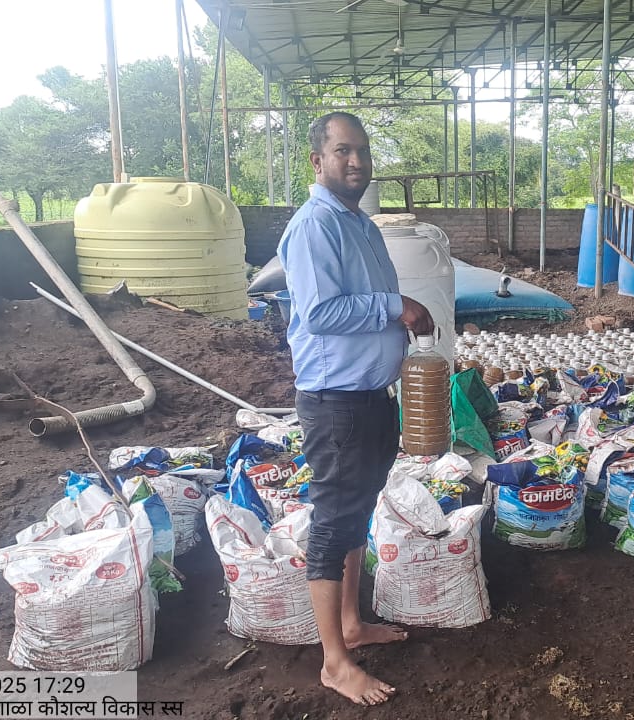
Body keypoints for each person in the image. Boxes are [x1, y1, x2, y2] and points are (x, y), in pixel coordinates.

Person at [277, 111, 434, 706]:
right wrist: (397, 307)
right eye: (343, 150)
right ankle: (335, 664)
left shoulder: (360, 223)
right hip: (336, 404)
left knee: (358, 511)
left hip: (371, 397)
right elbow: (319, 313)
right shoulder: (316, 226)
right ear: (317, 160)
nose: (356, 161)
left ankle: (350, 623)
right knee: (332, 523)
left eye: (362, 151)